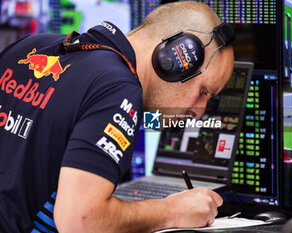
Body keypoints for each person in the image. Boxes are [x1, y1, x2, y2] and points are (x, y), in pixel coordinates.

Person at [0, 1, 234, 232]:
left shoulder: (32, 46)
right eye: (204, 92)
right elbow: (80, 221)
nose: (199, 112)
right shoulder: (119, 89)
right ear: (175, 59)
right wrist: (172, 210)